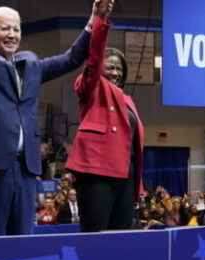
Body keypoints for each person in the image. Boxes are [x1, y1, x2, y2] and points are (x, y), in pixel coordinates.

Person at [0, 0, 101, 236]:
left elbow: (72, 58)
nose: (12, 34)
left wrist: (93, 21)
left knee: (23, 240)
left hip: (25, 169)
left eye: (16, 29)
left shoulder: (31, 67)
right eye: (5, 29)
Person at [62, 1, 146, 232]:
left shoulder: (128, 102)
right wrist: (100, 20)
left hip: (125, 179)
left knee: (121, 239)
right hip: (97, 174)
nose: (116, 72)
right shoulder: (92, 86)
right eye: (110, 67)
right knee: (96, 239)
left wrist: (138, 186)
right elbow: (95, 56)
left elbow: (134, 150)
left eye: (120, 69)